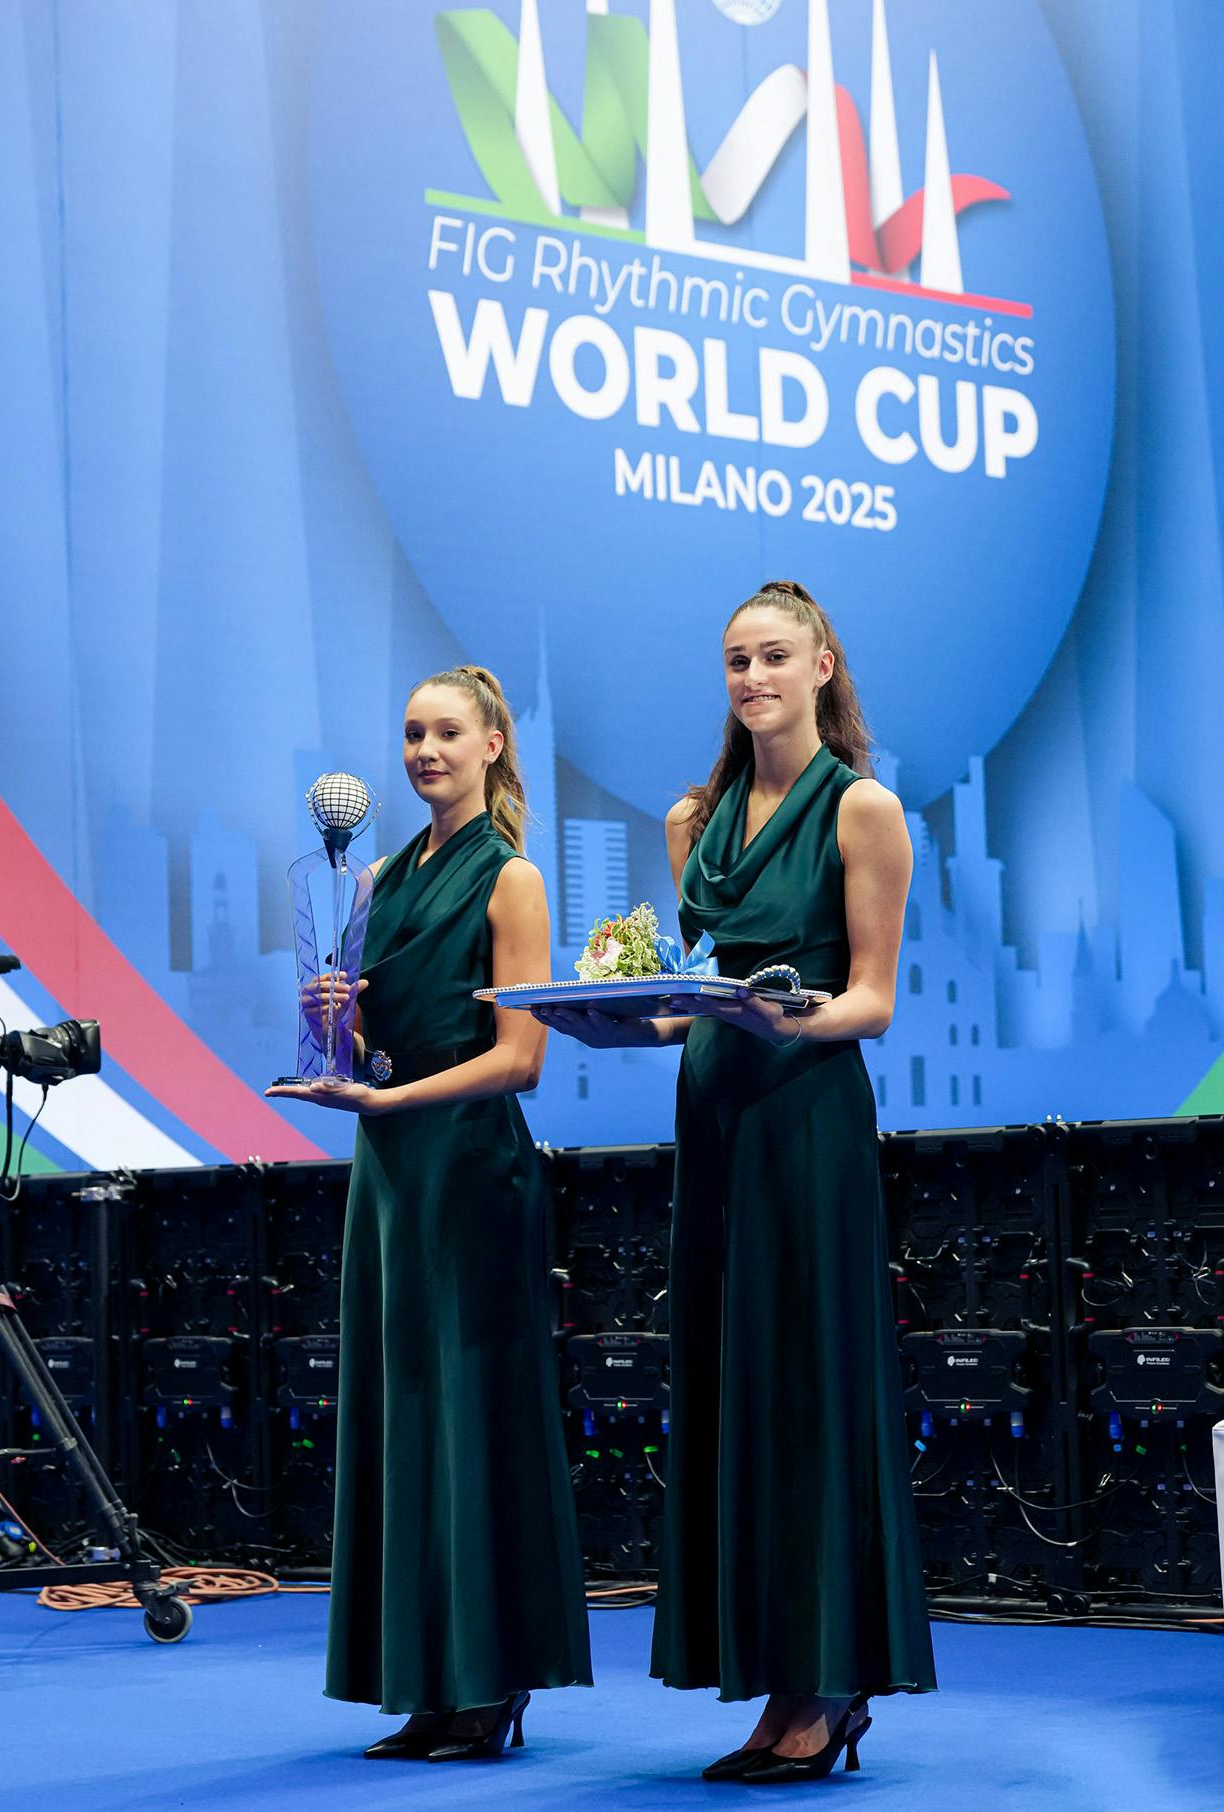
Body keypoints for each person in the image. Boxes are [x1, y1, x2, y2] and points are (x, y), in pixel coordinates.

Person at [536, 580, 935, 1783]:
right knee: (733, 1391)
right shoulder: (689, 820)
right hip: (712, 1120)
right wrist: (625, 1022)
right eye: (733, 661)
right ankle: (771, 1686)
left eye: (772, 657)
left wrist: (779, 1021)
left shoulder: (863, 809)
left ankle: (826, 1689)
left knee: (808, 1390)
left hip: (805, 1122)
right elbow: (689, 988)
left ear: (822, 669)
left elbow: (872, 996)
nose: (750, 676)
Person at [268, 664, 591, 1761]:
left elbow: (521, 1060)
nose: (424, 751)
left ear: (493, 745)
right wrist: (338, 1033)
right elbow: (375, 1048)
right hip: (391, 1177)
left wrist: (387, 1092)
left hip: (470, 1174)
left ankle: (490, 1684)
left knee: (472, 1420)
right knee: (405, 1423)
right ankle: (426, 1681)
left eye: (446, 732)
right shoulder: (375, 882)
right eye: (411, 733)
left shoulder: (512, 881)